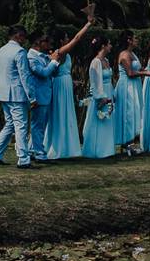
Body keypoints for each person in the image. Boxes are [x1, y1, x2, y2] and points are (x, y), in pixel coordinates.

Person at [0, 25, 38, 169]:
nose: (24, 40)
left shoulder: (1, 50)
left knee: (9, 124)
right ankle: (23, 160)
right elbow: (25, 76)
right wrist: (32, 97)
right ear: (18, 36)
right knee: (20, 126)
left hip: (3, 93)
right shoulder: (20, 51)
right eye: (23, 36)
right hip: (16, 94)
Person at [44, 18, 93, 159]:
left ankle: (65, 145)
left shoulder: (61, 54)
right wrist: (88, 24)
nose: (68, 39)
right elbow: (77, 38)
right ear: (61, 41)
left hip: (65, 85)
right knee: (60, 113)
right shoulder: (60, 52)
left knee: (64, 113)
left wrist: (73, 82)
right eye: (66, 37)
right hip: (60, 87)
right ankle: (59, 147)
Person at [26, 31, 62, 164]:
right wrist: (52, 62)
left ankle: (32, 151)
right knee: (38, 125)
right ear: (39, 43)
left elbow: (53, 72)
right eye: (47, 42)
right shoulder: (31, 57)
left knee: (40, 124)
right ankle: (40, 154)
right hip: (38, 95)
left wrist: (55, 61)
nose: (49, 45)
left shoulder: (43, 56)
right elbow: (43, 73)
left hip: (45, 95)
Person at [113, 30, 150, 151]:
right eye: (135, 38)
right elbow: (130, 73)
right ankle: (127, 143)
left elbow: (137, 69)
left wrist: (146, 69)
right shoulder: (124, 55)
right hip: (127, 87)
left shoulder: (133, 54)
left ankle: (130, 142)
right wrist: (145, 73)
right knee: (129, 113)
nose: (137, 40)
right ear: (129, 40)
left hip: (135, 85)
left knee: (135, 112)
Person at [82, 36, 116, 159]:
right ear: (103, 46)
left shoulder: (106, 60)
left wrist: (112, 94)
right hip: (100, 95)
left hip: (108, 91)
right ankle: (97, 150)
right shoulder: (96, 62)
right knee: (98, 121)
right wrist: (101, 97)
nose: (111, 46)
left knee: (107, 121)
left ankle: (107, 149)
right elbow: (95, 81)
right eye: (109, 43)